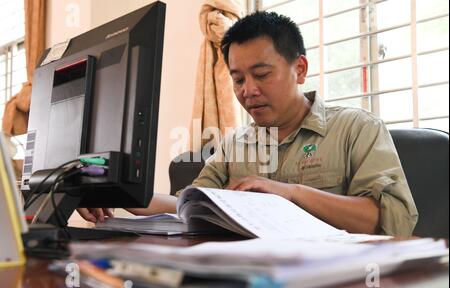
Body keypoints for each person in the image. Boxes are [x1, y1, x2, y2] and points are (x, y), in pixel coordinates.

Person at [78, 11, 418, 236]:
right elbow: (185, 203)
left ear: (299, 68)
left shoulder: (357, 128)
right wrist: (120, 193)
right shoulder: (233, 144)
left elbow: (391, 221)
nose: (248, 91)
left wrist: (290, 193)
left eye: (262, 74)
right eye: (238, 79)